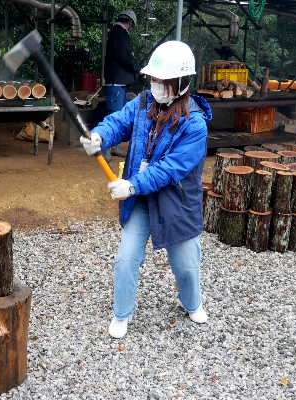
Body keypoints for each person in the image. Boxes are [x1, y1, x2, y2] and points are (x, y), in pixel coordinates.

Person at [81, 41, 212, 339]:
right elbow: (118, 122)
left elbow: (171, 169)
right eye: (153, 78)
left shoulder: (195, 125)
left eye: (162, 81)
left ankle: (193, 303)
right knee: (126, 258)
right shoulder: (142, 104)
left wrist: (131, 184)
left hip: (176, 201)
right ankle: (121, 314)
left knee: (187, 266)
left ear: (181, 83)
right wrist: (99, 136)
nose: (155, 85)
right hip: (139, 198)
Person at [104, 9, 145, 160]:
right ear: (130, 21)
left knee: (119, 116)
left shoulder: (120, 34)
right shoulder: (119, 33)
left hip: (120, 81)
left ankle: (114, 147)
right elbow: (125, 57)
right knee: (113, 116)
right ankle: (106, 149)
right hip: (116, 80)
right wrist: (138, 70)